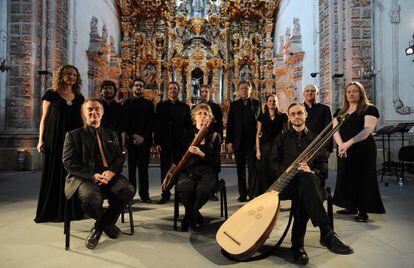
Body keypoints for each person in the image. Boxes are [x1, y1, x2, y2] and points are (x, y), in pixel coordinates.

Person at [271, 103, 353, 265]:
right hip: (287, 185)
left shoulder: (316, 139)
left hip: (311, 184)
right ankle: (326, 233)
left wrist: (311, 171)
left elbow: (323, 169)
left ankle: (298, 246)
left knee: (305, 183)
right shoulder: (282, 138)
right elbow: (273, 164)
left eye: (299, 113)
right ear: (289, 117)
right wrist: (288, 169)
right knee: (305, 185)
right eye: (293, 114)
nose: (296, 116)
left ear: (305, 115)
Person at [62, 98, 135, 250]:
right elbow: (69, 162)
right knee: (91, 199)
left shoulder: (112, 134)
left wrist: (111, 171)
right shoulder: (73, 135)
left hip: (108, 176)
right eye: (90, 109)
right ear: (84, 113)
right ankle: (107, 225)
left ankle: (99, 228)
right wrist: (92, 175)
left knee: (128, 189)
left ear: (102, 112)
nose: (93, 112)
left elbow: (120, 157)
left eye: (97, 109)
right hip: (84, 178)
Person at [35, 65, 85, 223]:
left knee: (73, 173)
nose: (71, 77)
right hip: (55, 138)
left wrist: (87, 139)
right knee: (55, 172)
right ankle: (52, 210)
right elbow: (44, 119)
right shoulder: (51, 94)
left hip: (75, 141)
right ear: (61, 75)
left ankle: (73, 209)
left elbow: (84, 121)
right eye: (68, 74)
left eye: (74, 75)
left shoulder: (79, 97)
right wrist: (40, 140)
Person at [333, 81, 385, 222]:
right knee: (346, 176)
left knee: (363, 179)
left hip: (363, 149)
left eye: (355, 91)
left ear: (361, 93)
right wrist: (340, 145)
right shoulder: (340, 112)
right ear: (345, 95)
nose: (351, 93)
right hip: (344, 149)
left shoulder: (369, 109)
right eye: (349, 91)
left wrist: (348, 144)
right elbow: (335, 131)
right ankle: (350, 206)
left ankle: (363, 211)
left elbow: (367, 130)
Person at [176, 104, 221, 231]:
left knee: (202, 190)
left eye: (205, 114)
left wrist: (200, 153)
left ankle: (189, 216)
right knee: (184, 187)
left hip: (208, 173)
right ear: (194, 118)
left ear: (209, 118)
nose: (202, 117)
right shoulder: (187, 135)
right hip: (189, 172)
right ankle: (195, 215)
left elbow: (216, 164)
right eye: (199, 114)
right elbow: (179, 158)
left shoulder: (214, 137)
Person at [155, 81, 193, 204]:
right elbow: (157, 126)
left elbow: (189, 128)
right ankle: (165, 193)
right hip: (165, 142)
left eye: (175, 88)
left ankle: (180, 194)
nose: (173, 90)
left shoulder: (185, 107)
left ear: (179, 90)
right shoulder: (161, 106)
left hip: (180, 143)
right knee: (165, 168)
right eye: (171, 88)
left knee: (180, 168)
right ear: (168, 90)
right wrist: (157, 142)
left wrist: (187, 143)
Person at [226, 81, 262, 202]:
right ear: (238, 91)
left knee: (252, 169)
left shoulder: (257, 104)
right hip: (238, 141)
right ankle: (242, 194)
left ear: (250, 90)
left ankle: (252, 194)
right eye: (242, 88)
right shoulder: (234, 105)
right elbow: (230, 124)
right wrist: (229, 142)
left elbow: (260, 122)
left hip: (252, 142)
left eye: (246, 88)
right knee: (240, 168)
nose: (244, 90)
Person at [124, 78, 155, 203]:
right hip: (131, 141)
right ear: (132, 88)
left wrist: (142, 136)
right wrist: (133, 135)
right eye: (136, 85)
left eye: (141, 86)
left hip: (144, 141)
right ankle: (131, 195)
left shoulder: (148, 104)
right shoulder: (126, 103)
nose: (138, 88)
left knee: (143, 169)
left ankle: (145, 195)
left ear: (143, 88)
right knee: (131, 170)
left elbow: (151, 123)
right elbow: (125, 122)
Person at [250, 94, 287, 197]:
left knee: (275, 172)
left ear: (277, 103)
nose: (272, 103)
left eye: (274, 101)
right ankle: (262, 196)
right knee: (263, 171)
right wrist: (257, 150)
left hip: (277, 148)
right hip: (264, 148)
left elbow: (285, 133)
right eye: (270, 101)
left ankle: (275, 196)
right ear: (266, 103)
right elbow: (258, 134)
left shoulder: (282, 116)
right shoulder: (262, 117)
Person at [303, 84, 333, 182]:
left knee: (319, 177)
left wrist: (328, 149)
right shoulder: (299, 109)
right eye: (307, 91)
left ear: (317, 94)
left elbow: (330, 130)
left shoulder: (325, 109)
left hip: (320, 149)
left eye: (312, 91)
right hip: (302, 148)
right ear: (304, 93)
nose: (309, 93)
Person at [199, 84, 223, 201]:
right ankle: (201, 189)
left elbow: (219, 124)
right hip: (201, 139)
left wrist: (217, 134)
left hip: (213, 139)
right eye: (202, 92)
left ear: (210, 92)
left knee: (213, 164)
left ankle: (212, 191)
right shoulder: (198, 107)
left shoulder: (216, 107)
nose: (204, 94)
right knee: (202, 163)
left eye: (206, 91)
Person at [100, 80, 124, 145]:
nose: (108, 91)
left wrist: (113, 132)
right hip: (99, 138)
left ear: (115, 92)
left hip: (116, 139)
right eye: (105, 88)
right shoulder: (96, 107)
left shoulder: (120, 108)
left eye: (110, 88)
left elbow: (123, 124)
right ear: (101, 91)